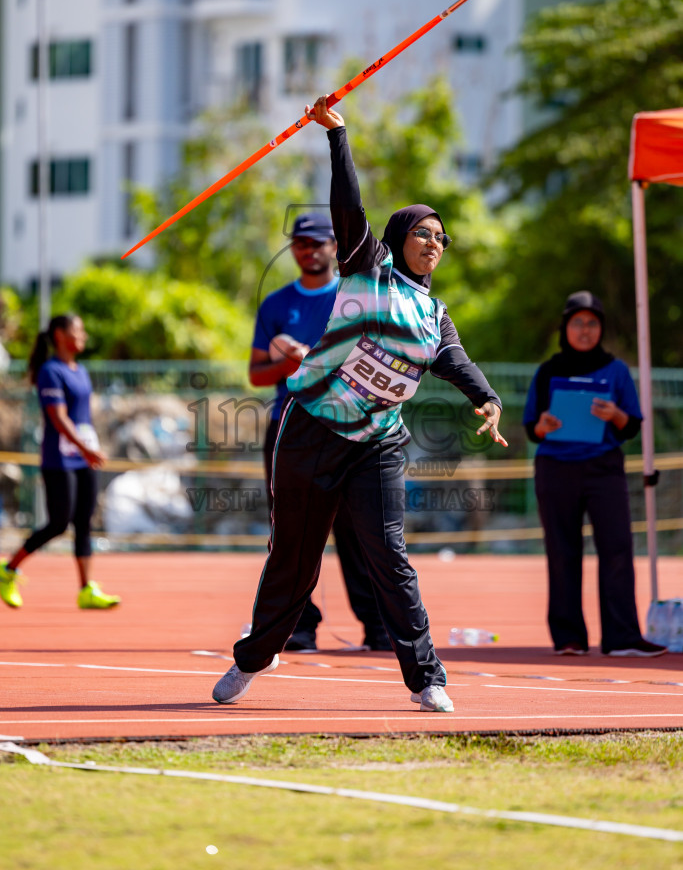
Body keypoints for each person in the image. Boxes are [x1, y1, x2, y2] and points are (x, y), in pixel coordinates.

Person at [212, 95, 506, 713]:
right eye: (425, 232)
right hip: (312, 430)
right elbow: (349, 206)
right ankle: (251, 659)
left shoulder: (434, 313)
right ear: (400, 239)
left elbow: (453, 359)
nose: (436, 241)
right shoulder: (367, 268)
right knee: (294, 560)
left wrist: (487, 397)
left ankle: (428, 677)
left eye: (442, 236)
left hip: (377, 441)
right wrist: (337, 136)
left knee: (388, 554)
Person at [250, 212, 391, 651]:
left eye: (318, 243)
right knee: (292, 531)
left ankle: (378, 626)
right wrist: (289, 363)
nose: (309, 251)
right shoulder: (275, 304)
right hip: (290, 429)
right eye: (301, 243)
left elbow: (374, 360)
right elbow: (256, 374)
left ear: (335, 245)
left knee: (363, 529)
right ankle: (299, 626)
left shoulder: (358, 296)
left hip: (351, 427)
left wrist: (310, 357)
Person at [523, 290, 666, 657]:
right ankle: (569, 637)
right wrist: (544, 424)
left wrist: (613, 414)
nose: (585, 330)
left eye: (592, 323)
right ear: (565, 328)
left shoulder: (616, 370)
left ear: (600, 328)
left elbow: (631, 424)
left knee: (617, 549)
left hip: (604, 468)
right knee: (562, 551)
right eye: (577, 323)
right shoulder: (548, 371)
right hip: (555, 468)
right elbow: (531, 428)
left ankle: (621, 638)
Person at [0, 313, 119, 610]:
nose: (84, 335)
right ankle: (8, 569)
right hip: (59, 459)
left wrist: (91, 445)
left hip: (83, 455)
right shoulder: (50, 371)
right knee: (58, 523)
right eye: (78, 330)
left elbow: (82, 417)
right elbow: (58, 417)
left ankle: (86, 589)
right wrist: (83, 447)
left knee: (84, 522)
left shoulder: (80, 370)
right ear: (60, 335)